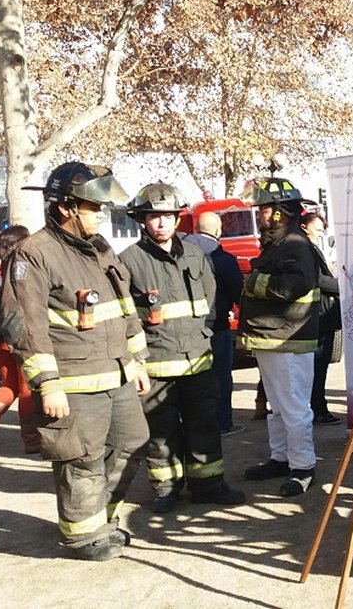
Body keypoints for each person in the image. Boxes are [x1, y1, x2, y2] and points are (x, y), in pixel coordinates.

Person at [1, 162, 151, 561]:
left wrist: (135, 359)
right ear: (67, 207)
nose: (101, 215)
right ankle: (82, 536)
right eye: (93, 207)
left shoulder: (100, 248)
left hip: (116, 372)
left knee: (132, 443)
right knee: (81, 457)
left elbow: (124, 308)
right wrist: (47, 383)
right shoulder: (33, 254)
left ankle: (103, 519)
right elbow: (24, 324)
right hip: (73, 381)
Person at [120, 182, 246, 513]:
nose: (161, 223)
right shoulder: (128, 261)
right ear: (142, 220)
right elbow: (124, 318)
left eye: (167, 216)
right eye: (153, 217)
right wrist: (136, 363)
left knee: (204, 425)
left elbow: (211, 304)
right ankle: (166, 489)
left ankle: (209, 485)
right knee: (161, 433)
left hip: (199, 362)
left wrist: (205, 339)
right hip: (157, 365)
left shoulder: (196, 256)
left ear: (178, 219)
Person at [238, 176, 322, 497]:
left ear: (278, 213)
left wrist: (254, 282)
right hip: (272, 338)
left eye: (264, 209)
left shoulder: (296, 245)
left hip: (288, 339)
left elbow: (291, 287)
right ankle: (280, 457)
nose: (259, 214)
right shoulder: (278, 243)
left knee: (294, 405)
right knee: (276, 404)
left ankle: (303, 467)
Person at [0, 225, 38, 455]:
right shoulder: (20, 268)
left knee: (9, 386)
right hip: (20, 336)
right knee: (26, 388)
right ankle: (31, 441)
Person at [183, 211, 245, 436]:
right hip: (216, 326)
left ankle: (194, 424)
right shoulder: (224, 259)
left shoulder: (180, 255)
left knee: (194, 379)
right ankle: (222, 423)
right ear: (218, 231)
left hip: (186, 328)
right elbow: (238, 292)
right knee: (221, 377)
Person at [300, 212, 342, 426]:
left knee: (317, 366)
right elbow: (317, 279)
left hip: (318, 314)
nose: (321, 232)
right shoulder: (306, 249)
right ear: (304, 226)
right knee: (318, 367)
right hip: (318, 316)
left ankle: (317, 407)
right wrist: (342, 285)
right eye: (317, 227)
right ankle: (318, 409)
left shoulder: (310, 247)